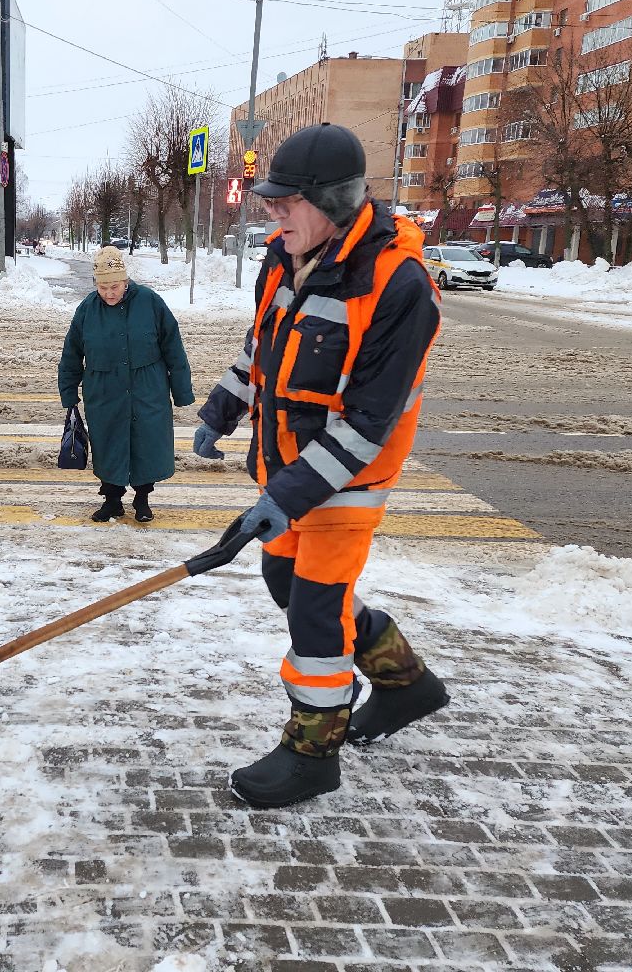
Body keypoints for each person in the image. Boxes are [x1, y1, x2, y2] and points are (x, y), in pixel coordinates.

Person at [192, 122, 446, 809]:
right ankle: (404, 684)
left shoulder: (401, 286)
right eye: (271, 198)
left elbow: (371, 419)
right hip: (289, 468)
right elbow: (264, 346)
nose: (271, 210)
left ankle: (313, 753)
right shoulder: (284, 257)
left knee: (316, 609)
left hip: (350, 477)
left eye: (287, 199)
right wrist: (224, 404)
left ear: (332, 202)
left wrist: (293, 491)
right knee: (283, 574)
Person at [58, 246, 193, 523]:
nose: (109, 293)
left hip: (147, 389)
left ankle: (142, 500)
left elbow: (173, 346)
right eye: (103, 287)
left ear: (126, 281)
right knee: (108, 445)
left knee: (146, 445)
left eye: (115, 286)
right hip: (104, 392)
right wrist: (69, 393)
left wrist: (181, 390)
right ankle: (112, 501)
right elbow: (71, 352)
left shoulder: (150, 301)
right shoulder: (87, 309)